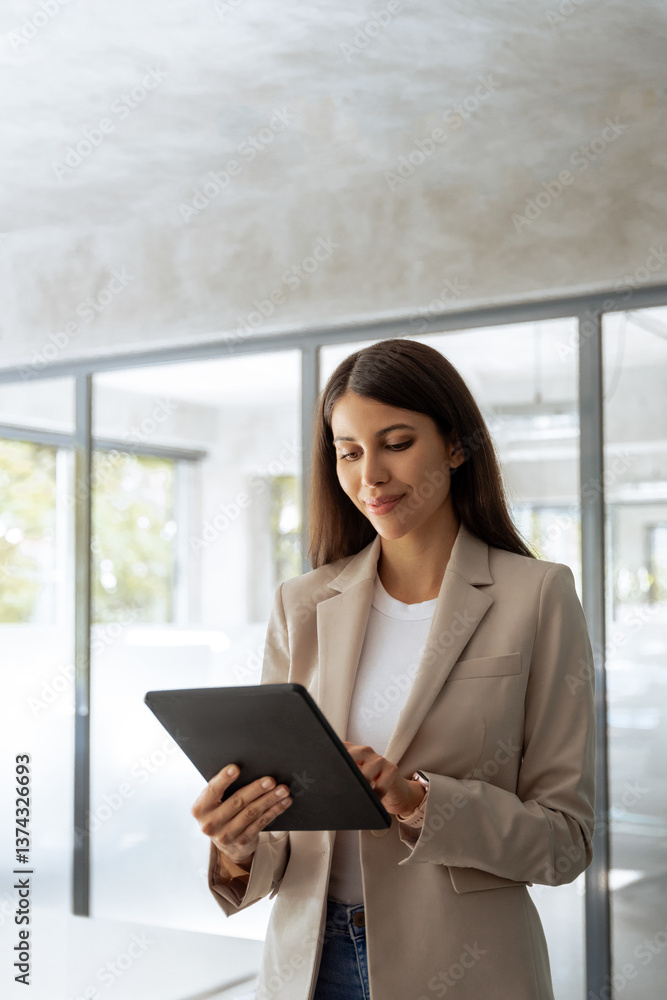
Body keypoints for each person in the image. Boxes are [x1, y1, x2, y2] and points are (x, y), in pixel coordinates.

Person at [191, 337, 596, 1000]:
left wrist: (419, 801)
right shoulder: (301, 604)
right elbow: (279, 834)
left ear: (456, 446)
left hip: (465, 967)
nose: (369, 475)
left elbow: (566, 841)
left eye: (397, 442)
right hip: (307, 969)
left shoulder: (537, 595)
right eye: (348, 452)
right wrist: (236, 843)